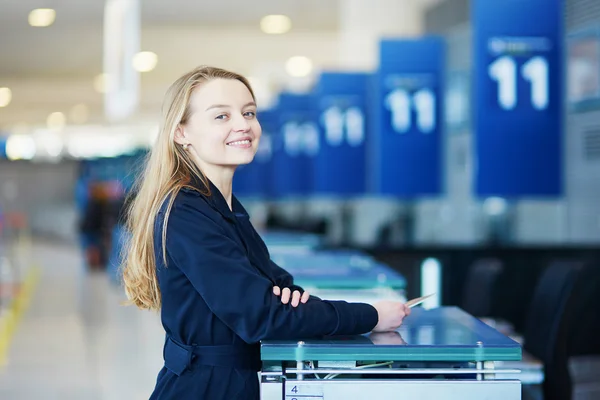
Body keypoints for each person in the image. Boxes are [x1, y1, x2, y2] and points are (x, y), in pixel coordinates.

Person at [121, 65, 411, 400]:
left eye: (248, 113)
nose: (242, 124)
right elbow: (261, 314)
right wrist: (371, 315)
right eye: (221, 117)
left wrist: (283, 301)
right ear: (181, 132)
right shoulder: (188, 212)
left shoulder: (226, 209)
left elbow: (280, 289)